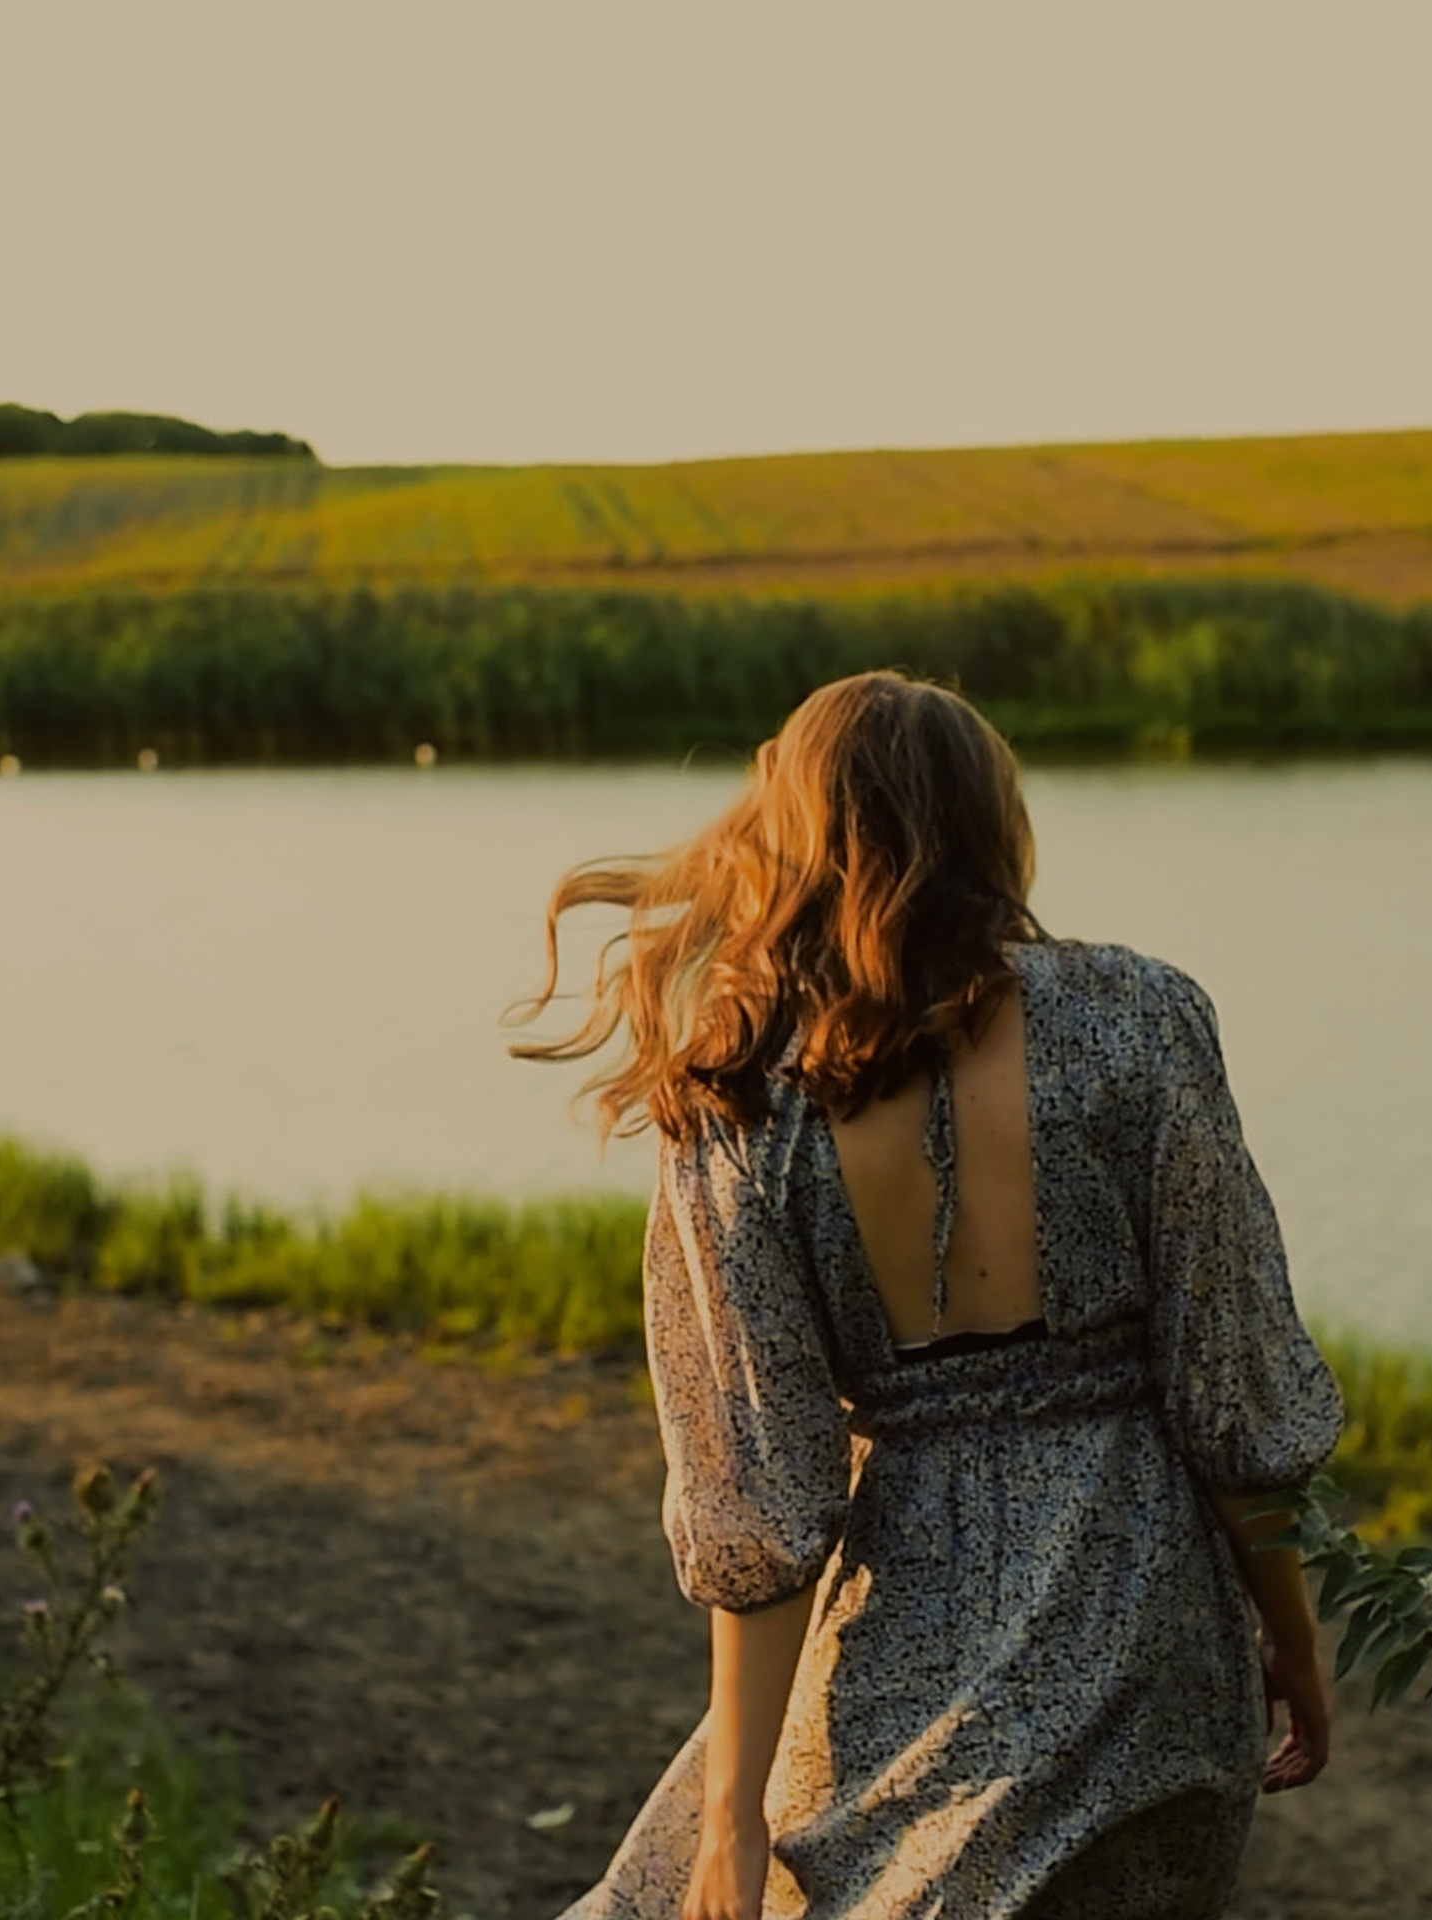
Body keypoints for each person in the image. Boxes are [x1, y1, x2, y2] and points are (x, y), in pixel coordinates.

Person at [512, 670, 1344, 1920]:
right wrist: (1291, 1639)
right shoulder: (1144, 1020)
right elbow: (1233, 1392)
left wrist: (733, 1819)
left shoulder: (741, 1097)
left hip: (902, 1652)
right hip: (1155, 1640)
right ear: (986, 821)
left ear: (797, 835)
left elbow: (761, 1509)